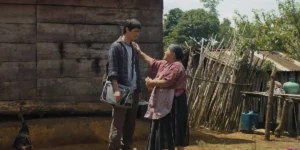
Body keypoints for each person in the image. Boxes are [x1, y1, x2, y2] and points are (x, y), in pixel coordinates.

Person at [134, 43, 189, 150]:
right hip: (165, 102)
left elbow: (167, 82)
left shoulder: (177, 66)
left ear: (172, 54)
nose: (164, 52)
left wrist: (152, 82)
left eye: (167, 50)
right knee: (166, 130)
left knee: (175, 129)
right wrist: (140, 52)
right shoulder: (165, 64)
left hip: (175, 102)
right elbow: (152, 62)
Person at [106, 19, 142, 150]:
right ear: (127, 29)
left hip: (134, 90)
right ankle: (114, 147)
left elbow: (135, 69)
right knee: (118, 122)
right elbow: (112, 69)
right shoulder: (116, 46)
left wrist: (138, 88)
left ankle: (126, 146)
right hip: (121, 90)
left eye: (138, 32)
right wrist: (116, 89)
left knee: (130, 122)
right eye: (135, 31)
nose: (137, 34)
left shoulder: (133, 47)